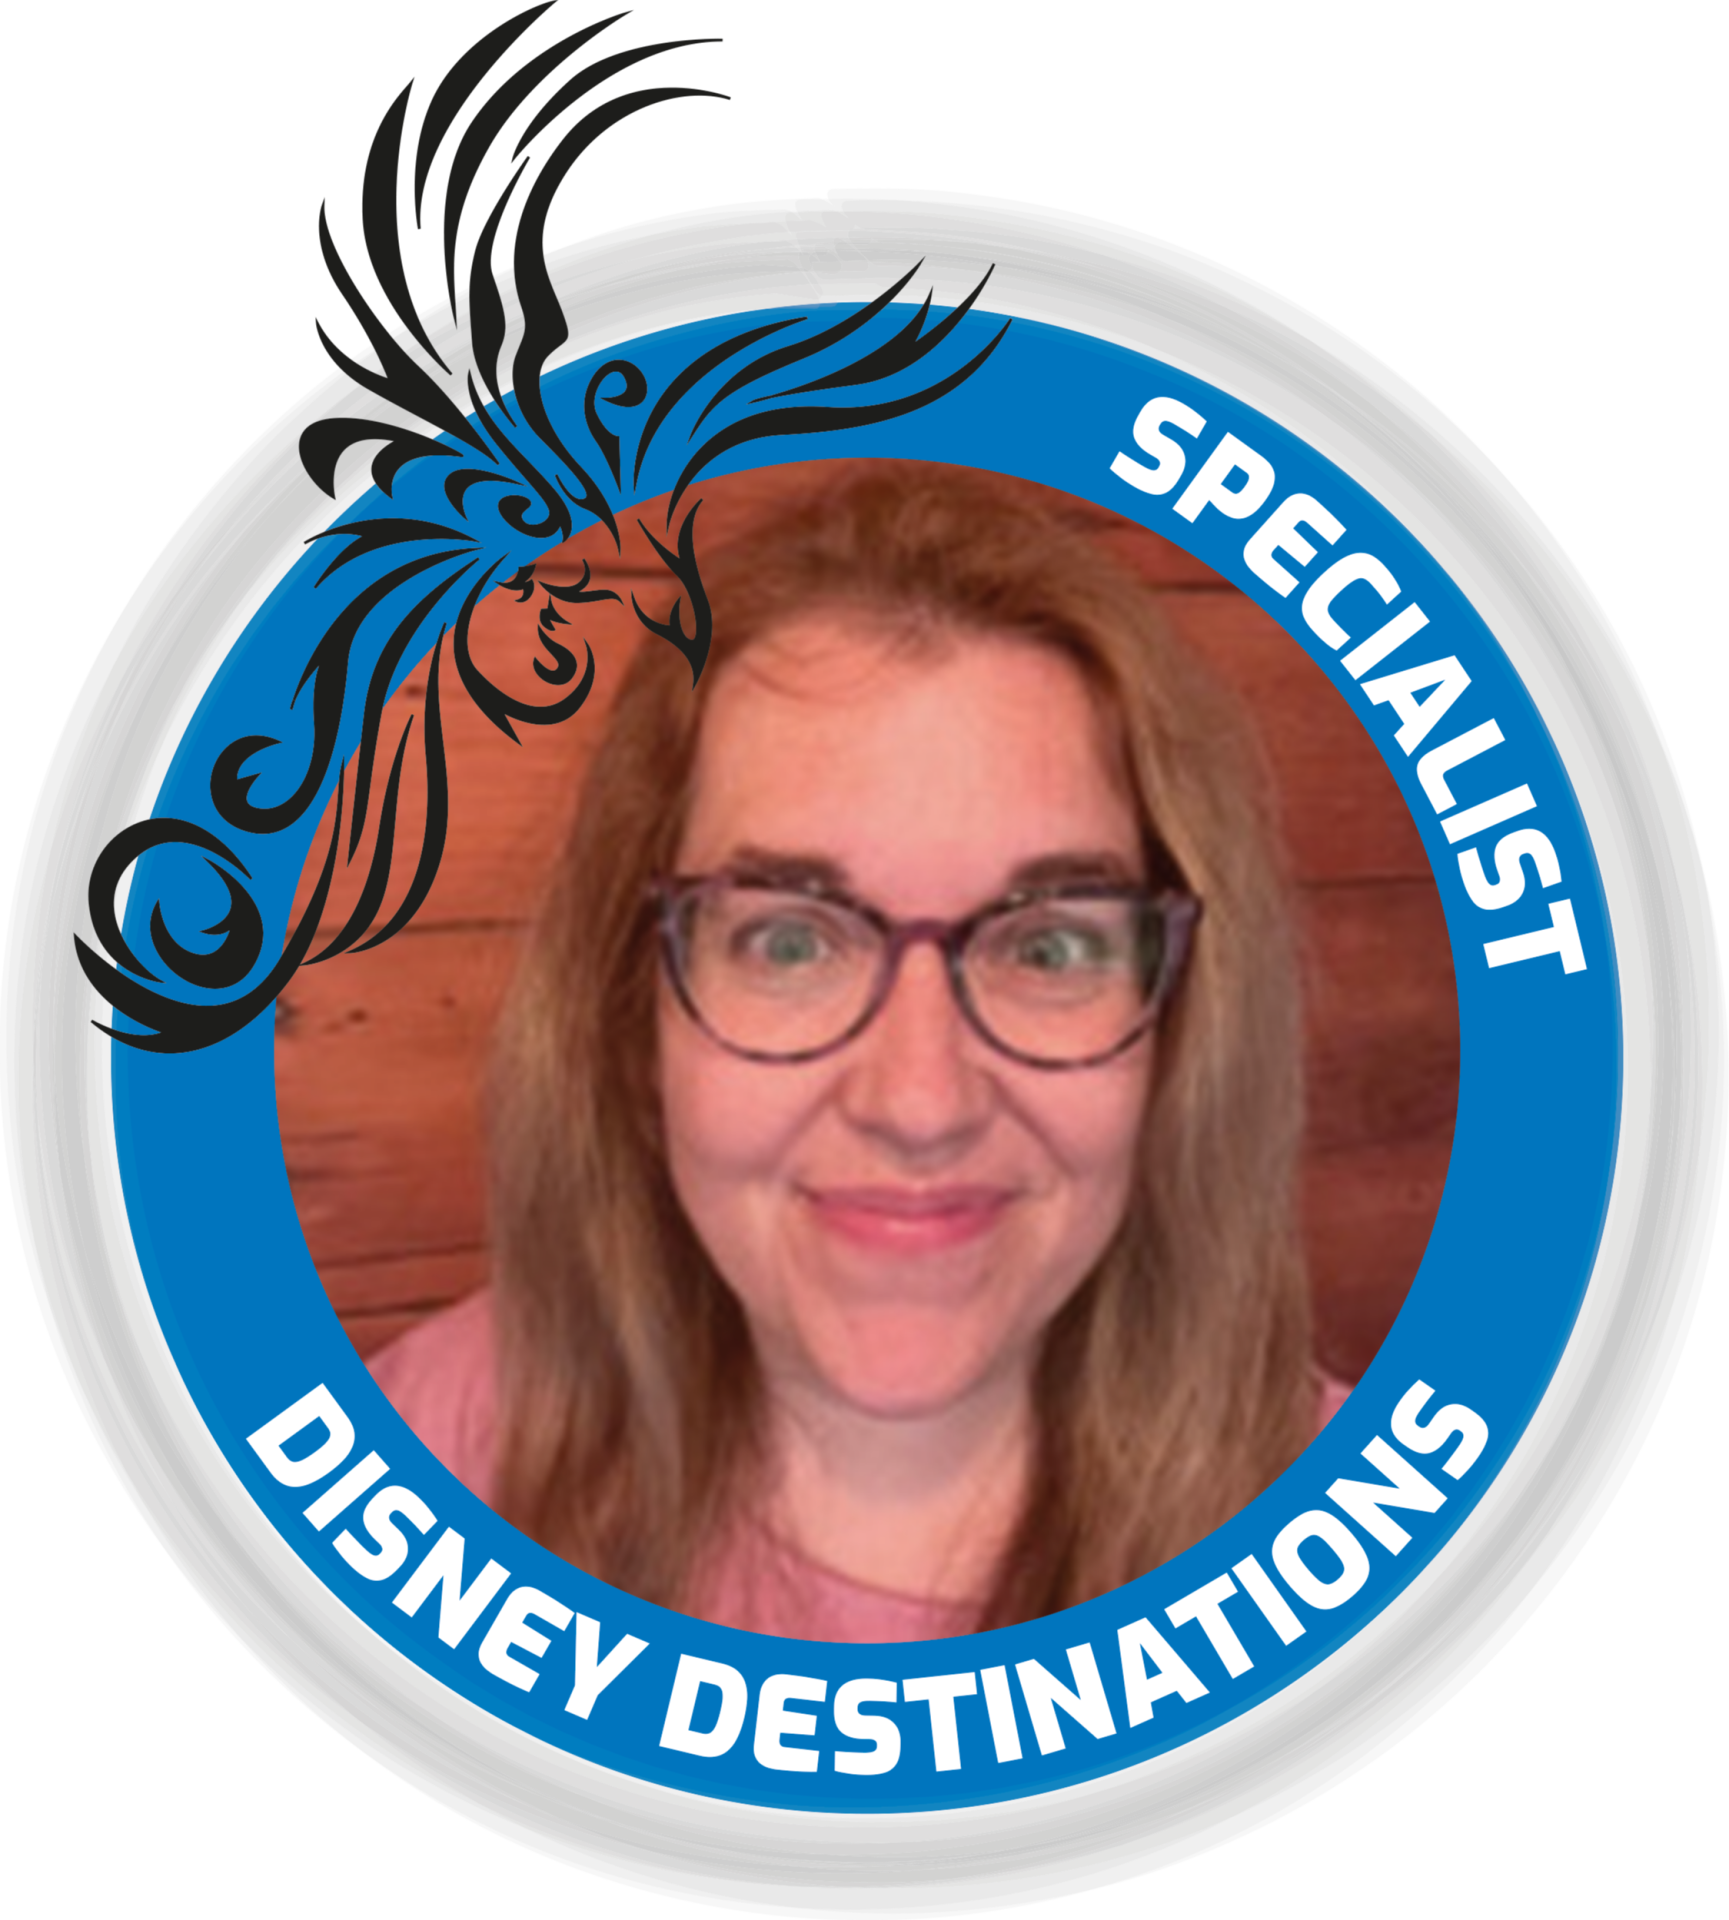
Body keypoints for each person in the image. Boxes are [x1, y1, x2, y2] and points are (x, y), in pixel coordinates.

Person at [371, 461, 1343, 1641]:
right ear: (632, 1013)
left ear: (1182, 1024)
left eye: (1046, 948)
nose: (920, 1102)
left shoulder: (1378, 1554)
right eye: (789, 942)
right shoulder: (413, 1461)